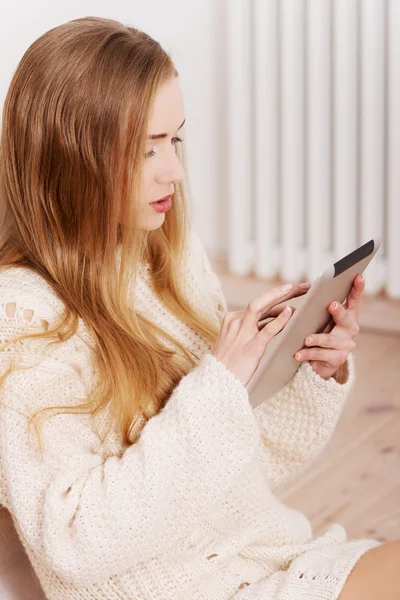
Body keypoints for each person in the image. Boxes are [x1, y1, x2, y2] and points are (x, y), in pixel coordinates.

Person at [0, 16, 397, 600]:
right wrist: (218, 384)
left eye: (176, 139)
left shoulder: (170, 257)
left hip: (269, 559)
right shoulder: (24, 319)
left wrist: (308, 368)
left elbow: (245, 464)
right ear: (72, 156)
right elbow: (75, 543)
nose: (175, 171)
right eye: (146, 149)